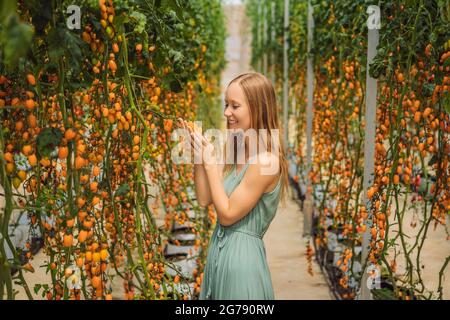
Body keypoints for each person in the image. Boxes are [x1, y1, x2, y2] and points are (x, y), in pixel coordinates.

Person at [178, 72, 288, 300]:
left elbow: (227, 215)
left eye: (235, 106)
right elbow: (204, 198)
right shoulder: (236, 148)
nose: (227, 112)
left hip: (242, 266)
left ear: (257, 109)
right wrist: (200, 156)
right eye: (226, 104)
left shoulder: (266, 161)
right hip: (220, 256)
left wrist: (210, 164)